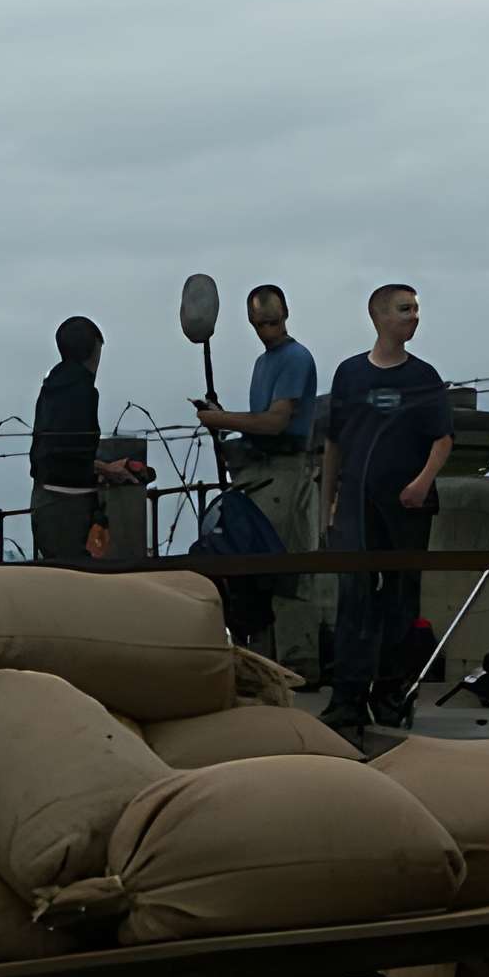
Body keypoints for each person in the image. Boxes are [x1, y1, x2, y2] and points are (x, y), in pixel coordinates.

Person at [320, 282, 455, 738]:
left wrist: (422, 482)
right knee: (354, 599)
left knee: (401, 599)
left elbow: (442, 438)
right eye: (403, 309)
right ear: (379, 316)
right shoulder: (350, 374)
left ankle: (392, 694)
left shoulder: (423, 377)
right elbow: (334, 443)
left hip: (406, 507)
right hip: (357, 504)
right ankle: (347, 697)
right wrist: (327, 504)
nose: (413, 316)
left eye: (415, 309)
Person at [194, 284, 324, 681]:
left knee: (284, 570)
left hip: (285, 474)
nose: (267, 330)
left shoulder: (296, 358)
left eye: (273, 322)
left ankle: (297, 664)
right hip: (258, 475)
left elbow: (275, 421)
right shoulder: (262, 363)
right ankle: (264, 661)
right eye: (259, 324)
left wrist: (221, 419)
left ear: (286, 315)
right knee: (256, 573)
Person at [29, 316, 120, 563]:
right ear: (91, 352)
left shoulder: (51, 386)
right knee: (77, 574)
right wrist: (106, 470)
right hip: (69, 506)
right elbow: (72, 458)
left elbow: (57, 452)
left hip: (43, 500)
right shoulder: (82, 392)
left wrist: (105, 468)